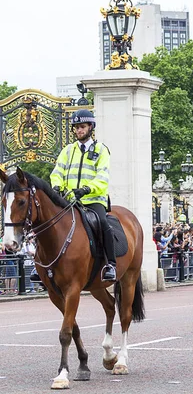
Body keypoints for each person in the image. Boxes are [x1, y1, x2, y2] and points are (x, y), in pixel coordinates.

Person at [45, 109, 116, 282]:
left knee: (103, 223)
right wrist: (56, 186)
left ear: (91, 127)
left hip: (92, 200)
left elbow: (102, 176)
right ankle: (42, 265)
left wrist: (86, 189)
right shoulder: (68, 150)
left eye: (82, 127)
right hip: (69, 201)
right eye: (76, 127)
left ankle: (111, 265)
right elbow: (57, 172)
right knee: (48, 223)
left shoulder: (101, 150)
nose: (79, 130)